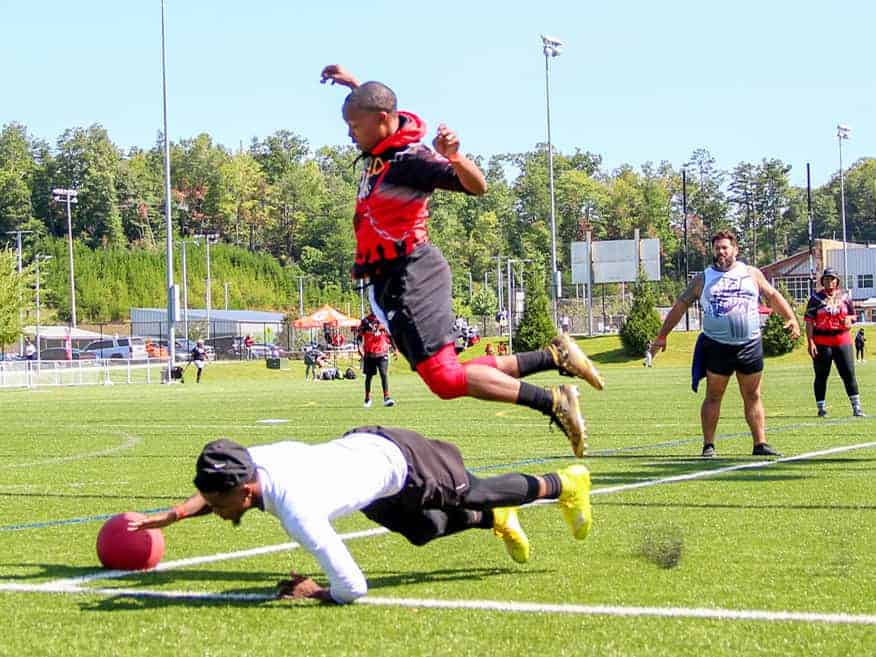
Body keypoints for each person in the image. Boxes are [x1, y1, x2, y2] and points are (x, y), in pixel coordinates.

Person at [319, 64, 603, 457]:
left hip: (410, 274)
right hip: (391, 278)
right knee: (448, 372)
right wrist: (354, 86)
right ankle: (556, 356)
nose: (350, 133)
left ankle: (554, 401)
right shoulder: (383, 142)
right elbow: (379, 103)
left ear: (382, 121)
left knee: (448, 381)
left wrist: (454, 157)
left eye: (354, 125)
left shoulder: (411, 160)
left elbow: (477, 186)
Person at [129, 426, 593, 604]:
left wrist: (315, 593)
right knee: (423, 531)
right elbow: (214, 492)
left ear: (244, 488)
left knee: (476, 491)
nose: (212, 508)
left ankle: (566, 483)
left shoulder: (298, 511)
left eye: (215, 502)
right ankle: (497, 521)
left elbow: (354, 588)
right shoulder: (252, 461)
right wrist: (175, 515)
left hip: (400, 461)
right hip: (370, 480)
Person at [649, 230, 801, 458]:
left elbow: (772, 295)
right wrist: (662, 335)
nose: (720, 252)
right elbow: (680, 306)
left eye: (725, 248)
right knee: (713, 395)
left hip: (749, 344)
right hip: (717, 345)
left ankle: (760, 443)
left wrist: (791, 318)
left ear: (735, 250)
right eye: (717, 248)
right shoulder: (703, 278)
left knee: (753, 395)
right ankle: (708, 445)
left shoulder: (751, 274)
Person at [804, 268, 864, 418]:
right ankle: (821, 408)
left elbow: (853, 316)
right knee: (821, 375)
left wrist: (850, 321)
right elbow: (809, 322)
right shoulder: (816, 299)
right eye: (826, 279)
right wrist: (810, 342)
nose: (829, 282)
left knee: (848, 373)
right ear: (822, 281)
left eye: (832, 279)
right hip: (822, 340)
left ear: (837, 281)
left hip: (841, 338)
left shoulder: (845, 297)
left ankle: (856, 407)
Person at [356, 311, 394, 407]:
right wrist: (359, 348)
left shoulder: (384, 319)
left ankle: (386, 397)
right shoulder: (365, 321)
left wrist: (395, 348)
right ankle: (367, 398)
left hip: (382, 352)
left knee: (384, 374)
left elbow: (390, 335)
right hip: (369, 354)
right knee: (369, 377)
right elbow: (359, 337)